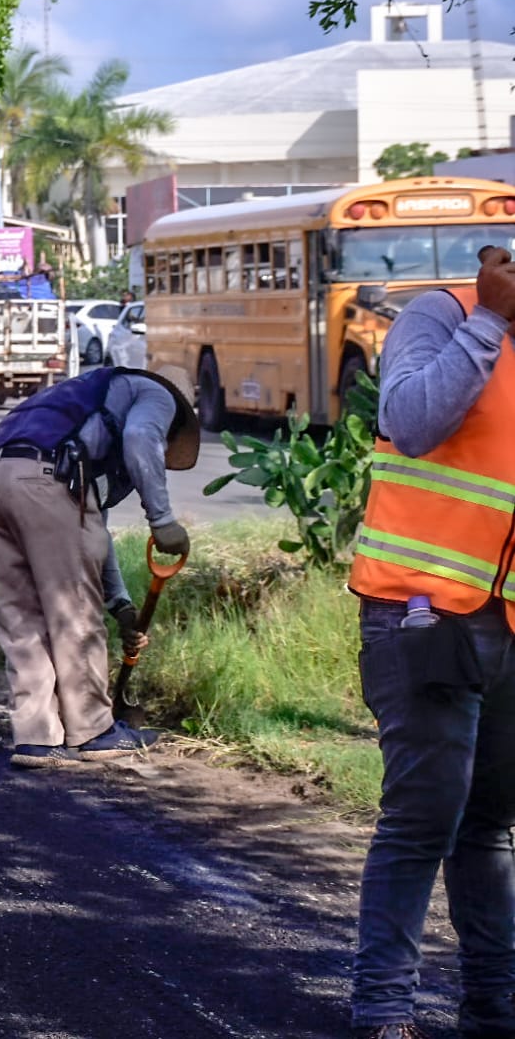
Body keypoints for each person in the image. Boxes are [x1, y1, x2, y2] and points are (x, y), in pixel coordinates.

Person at [344, 245, 515, 1039]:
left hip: (506, 626)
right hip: (421, 617)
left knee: (487, 823)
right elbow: (407, 422)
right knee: (422, 819)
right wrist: (486, 320)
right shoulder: (441, 316)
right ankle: (383, 1010)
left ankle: (493, 1002)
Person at [0, 365, 199, 768]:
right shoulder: (157, 395)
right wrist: (161, 520)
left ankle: (36, 738)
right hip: (48, 478)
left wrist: (122, 605)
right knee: (72, 611)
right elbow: (140, 437)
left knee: (19, 616)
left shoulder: (86, 399)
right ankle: (94, 730)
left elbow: (93, 527)